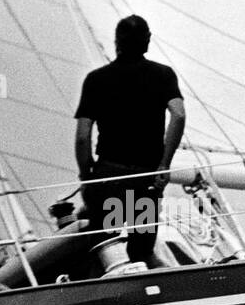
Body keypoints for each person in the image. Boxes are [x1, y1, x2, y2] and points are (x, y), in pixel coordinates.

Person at [74, 14, 185, 267]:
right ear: (147, 42)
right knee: (142, 248)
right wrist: (163, 164)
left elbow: (82, 137)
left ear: (116, 42)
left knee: (103, 244)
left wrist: (87, 176)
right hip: (145, 178)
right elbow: (178, 114)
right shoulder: (163, 75)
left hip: (109, 176)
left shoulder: (96, 80)